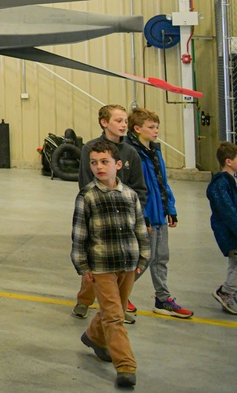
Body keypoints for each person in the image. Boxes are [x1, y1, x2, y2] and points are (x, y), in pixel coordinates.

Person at [72, 140, 149, 389]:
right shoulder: (87, 196)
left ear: (117, 165)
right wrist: (83, 266)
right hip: (101, 265)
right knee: (115, 317)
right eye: (93, 163)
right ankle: (126, 366)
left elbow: (139, 228)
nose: (98, 167)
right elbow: (79, 234)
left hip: (128, 263)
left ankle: (93, 336)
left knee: (111, 310)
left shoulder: (130, 195)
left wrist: (144, 256)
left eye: (104, 162)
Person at [73, 104, 147, 323]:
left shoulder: (131, 152)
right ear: (105, 123)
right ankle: (84, 301)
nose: (124, 125)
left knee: (124, 269)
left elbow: (138, 187)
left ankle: (118, 308)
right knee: (96, 265)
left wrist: (139, 216)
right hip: (99, 218)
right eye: (119, 121)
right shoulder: (90, 149)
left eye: (125, 121)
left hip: (125, 218)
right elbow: (85, 182)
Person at [125, 108, 193, 318]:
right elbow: (134, 188)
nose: (156, 131)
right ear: (137, 129)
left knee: (161, 257)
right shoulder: (131, 153)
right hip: (144, 216)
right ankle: (117, 293)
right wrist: (141, 216)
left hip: (159, 215)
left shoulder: (155, 152)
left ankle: (162, 299)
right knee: (143, 260)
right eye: (151, 127)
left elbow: (162, 182)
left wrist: (169, 208)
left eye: (157, 127)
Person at [207, 141, 237, 315]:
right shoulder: (220, 184)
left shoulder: (230, 181)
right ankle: (225, 291)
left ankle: (229, 293)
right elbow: (228, 211)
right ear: (229, 161)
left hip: (232, 231)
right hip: (229, 233)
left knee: (234, 263)